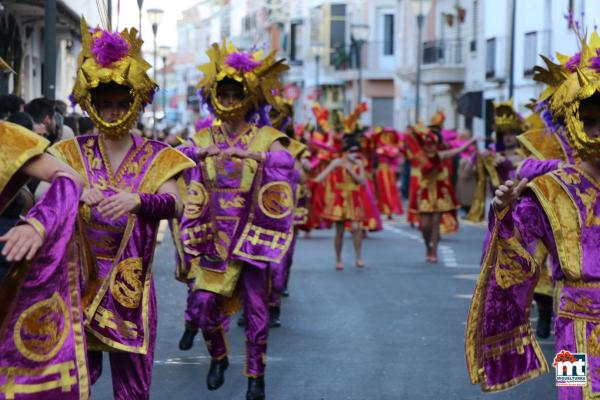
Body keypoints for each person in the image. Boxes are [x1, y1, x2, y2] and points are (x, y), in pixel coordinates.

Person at [45, 18, 194, 399]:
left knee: (133, 391)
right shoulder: (67, 152)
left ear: (137, 103)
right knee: (73, 383)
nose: (112, 112)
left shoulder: (160, 156)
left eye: (120, 103)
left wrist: (139, 201)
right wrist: (74, 195)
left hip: (132, 290)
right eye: (104, 103)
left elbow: (177, 205)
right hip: (76, 284)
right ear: (90, 103)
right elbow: (41, 203)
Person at [465, 33, 600, 399]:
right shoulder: (549, 189)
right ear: (571, 124)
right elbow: (515, 259)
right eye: (589, 121)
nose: (597, 131)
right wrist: (503, 214)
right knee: (573, 395)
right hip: (573, 328)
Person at [177, 41, 294, 400]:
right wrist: (199, 152)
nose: (228, 102)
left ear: (249, 97)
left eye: (234, 94)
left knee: (257, 312)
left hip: (252, 236)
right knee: (201, 305)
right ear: (213, 97)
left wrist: (255, 156)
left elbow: (289, 165)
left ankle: (256, 377)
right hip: (214, 238)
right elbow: (174, 159)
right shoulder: (203, 136)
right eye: (222, 95)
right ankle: (218, 356)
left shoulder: (267, 136)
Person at [411, 123, 475, 263]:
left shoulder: (441, 155)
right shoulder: (420, 156)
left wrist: (471, 141)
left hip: (440, 193)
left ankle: (434, 251)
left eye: (434, 144)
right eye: (428, 144)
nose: (431, 146)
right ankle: (428, 246)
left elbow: (458, 150)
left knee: (435, 223)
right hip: (426, 193)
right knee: (425, 225)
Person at [315, 136, 367, 270]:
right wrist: (308, 182)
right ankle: (338, 259)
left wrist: (350, 170)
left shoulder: (359, 163)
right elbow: (321, 177)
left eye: (357, 151)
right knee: (340, 231)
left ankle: (359, 257)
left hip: (354, 198)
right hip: (339, 199)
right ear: (346, 151)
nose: (355, 154)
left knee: (356, 228)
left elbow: (362, 181)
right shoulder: (337, 162)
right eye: (352, 151)